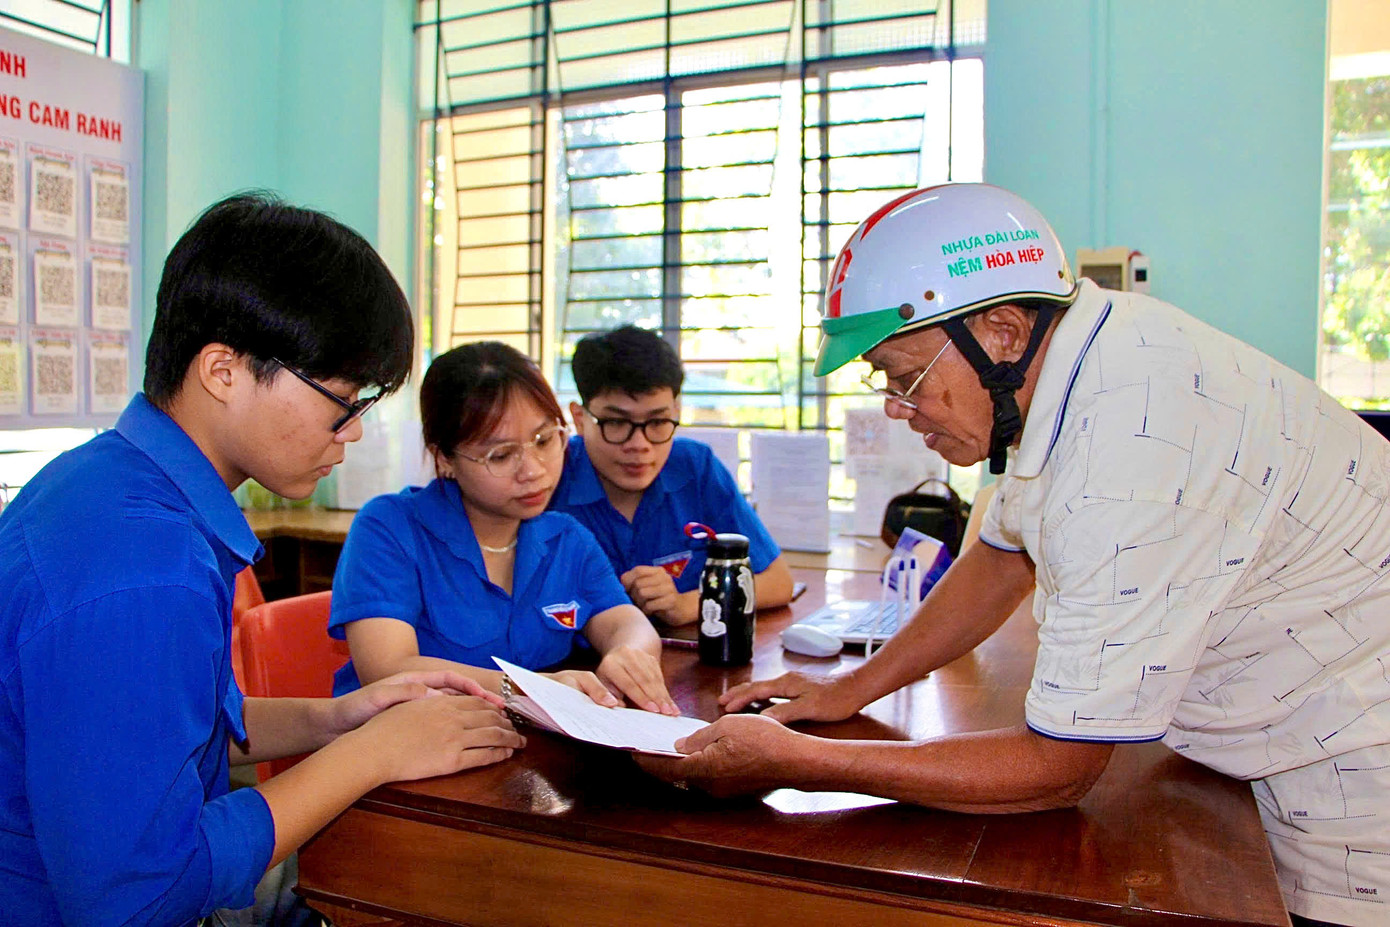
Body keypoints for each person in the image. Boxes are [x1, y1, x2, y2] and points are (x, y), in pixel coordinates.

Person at [638, 183, 1390, 927]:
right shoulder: (1081, 360)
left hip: (1348, 787)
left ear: (1000, 331)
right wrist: (853, 687)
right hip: (1257, 749)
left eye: (907, 378)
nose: (898, 410)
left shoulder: (1127, 450)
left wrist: (798, 764)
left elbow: (1059, 766)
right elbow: (1004, 557)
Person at [0, 193, 524, 926]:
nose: (352, 434)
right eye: (341, 401)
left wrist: (335, 718)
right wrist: (369, 755)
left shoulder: (107, 482)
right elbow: (138, 896)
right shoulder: (143, 567)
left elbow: (166, 726)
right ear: (224, 370)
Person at [329, 341, 678, 716]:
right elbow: (387, 669)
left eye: (545, 441)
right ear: (444, 458)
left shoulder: (565, 538)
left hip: (516, 753)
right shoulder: (390, 528)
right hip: (394, 754)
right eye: (501, 455)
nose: (534, 470)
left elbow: (626, 622)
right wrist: (531, 688)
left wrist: (629, 653)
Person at [548, 325, 794, 626]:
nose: (639, 445)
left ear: (676, 410)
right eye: (615, 422)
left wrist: (689, 604)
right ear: (579, 418)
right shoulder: (548, 477)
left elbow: (778, 582)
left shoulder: (694, 467)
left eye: (658, 421)